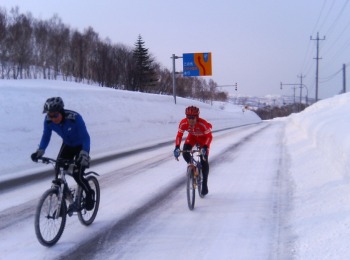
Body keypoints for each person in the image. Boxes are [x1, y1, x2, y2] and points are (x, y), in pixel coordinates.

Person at [31, 97, 95, 211]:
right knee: (58, 167)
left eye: (55, 115)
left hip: (81, 146)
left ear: (61, 112)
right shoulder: (48, 121)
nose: (53, 118)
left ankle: (89, 193)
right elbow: (46, 136)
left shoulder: (75, 118)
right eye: (50, 115)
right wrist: (40, 151)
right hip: (68, 145)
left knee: (77, 174)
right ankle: (64, 196)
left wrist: (84, 154)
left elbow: (86, 137)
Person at [173, 106, 213, 196]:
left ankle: (204, 184)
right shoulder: (183, 123)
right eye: (188, 117)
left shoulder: (203, 123)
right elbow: (179, 135)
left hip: (204, 139)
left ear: (197, 117)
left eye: (193, 118)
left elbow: (209, 137)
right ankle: (192, 168)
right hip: (192, 138)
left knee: (204, 160)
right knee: (185, 152)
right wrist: (177, 147)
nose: (190, 120)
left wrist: (205, 147)